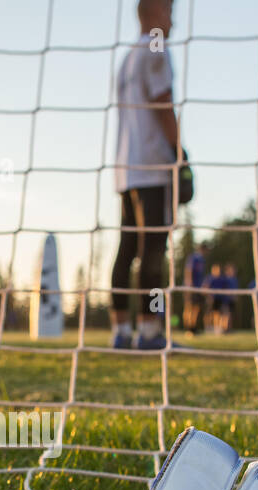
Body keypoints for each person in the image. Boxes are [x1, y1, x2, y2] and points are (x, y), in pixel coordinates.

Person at [110, 0, 185, 350]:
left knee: (127, 250)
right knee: (153, 252)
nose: (173, 20)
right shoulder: (156, 46)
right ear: (154, 12)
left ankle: (121, 330)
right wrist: (181, 154)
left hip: (126, 169)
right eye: (169, 11)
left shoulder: (126, 59)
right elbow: (162, 102)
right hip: (152, 166)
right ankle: (151, 329)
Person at [182, 241, 208, 334]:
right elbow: (188, 270)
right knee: (189, 306)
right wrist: (189, 284)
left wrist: (203, 286)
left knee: (196, 307)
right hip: (191, 287)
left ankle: (193, 327)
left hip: (198, 287)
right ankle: (188, 328)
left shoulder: (202, 260)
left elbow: (201, 275)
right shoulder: (194, 258)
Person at [206, 262, 238, 333]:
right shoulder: (211, 278)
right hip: (215, 299)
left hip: (222, 299)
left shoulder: (223, 279)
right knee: (215, 313)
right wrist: (209, 296)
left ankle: (226, 328)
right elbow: (206, 287)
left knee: (226, 313)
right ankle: (214, 328)